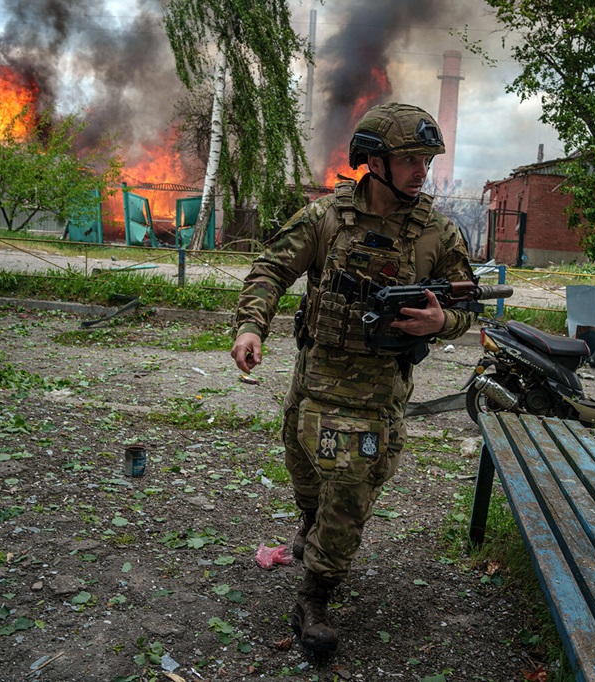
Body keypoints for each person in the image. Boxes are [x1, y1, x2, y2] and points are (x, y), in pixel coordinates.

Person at [230, 102, 476, 654]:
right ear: (373, 161)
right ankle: (308, 526)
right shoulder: (327, 217)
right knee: (305, 470)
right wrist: (251, 327)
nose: (421, 171)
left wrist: (443, 320)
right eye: (410, 159)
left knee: (350, 489)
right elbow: (272, 267)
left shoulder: (437, 232)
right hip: (314, 379)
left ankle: (314, 597)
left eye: (427, 160)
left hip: (378, 392)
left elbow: (469, 305)